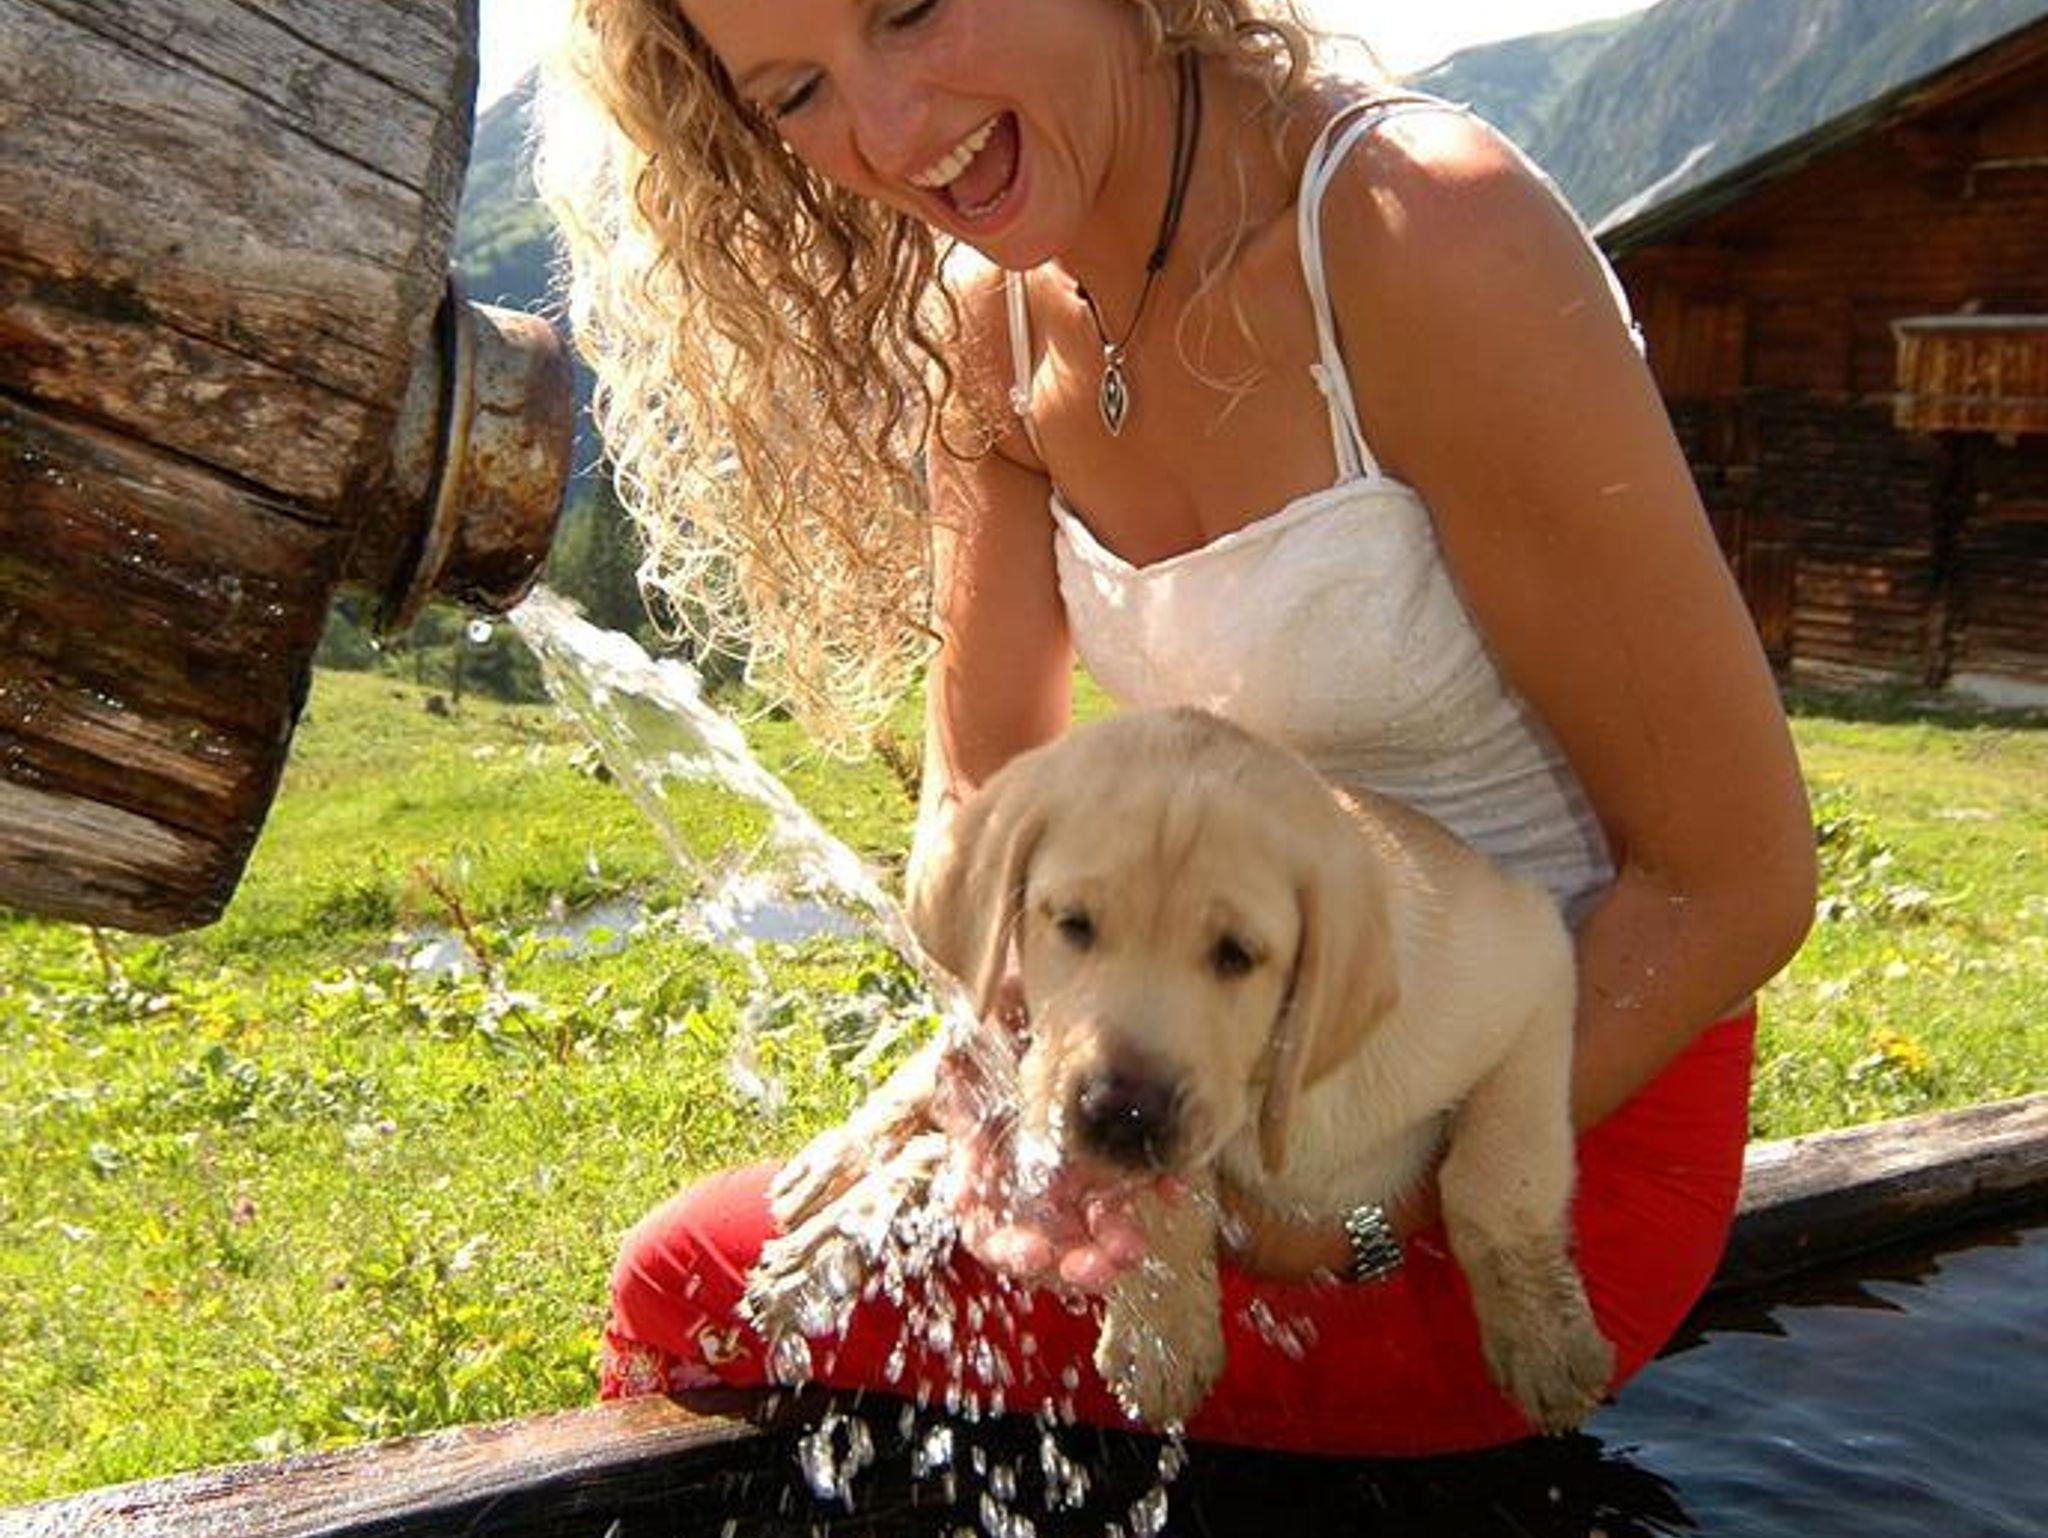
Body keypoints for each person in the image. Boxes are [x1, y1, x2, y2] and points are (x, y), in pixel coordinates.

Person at [541, 0, 1817, 1456]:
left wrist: (1354, 1219)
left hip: (1549, 1134)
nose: (886, 136)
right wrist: (1001, 1065)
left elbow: (1734, 884)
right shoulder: (991, 326)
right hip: (1193, 1103)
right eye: (797, 95)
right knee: (749, 1260)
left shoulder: (1421, 237)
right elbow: (979, 794)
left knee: (686, 1287)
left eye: (911, 6)